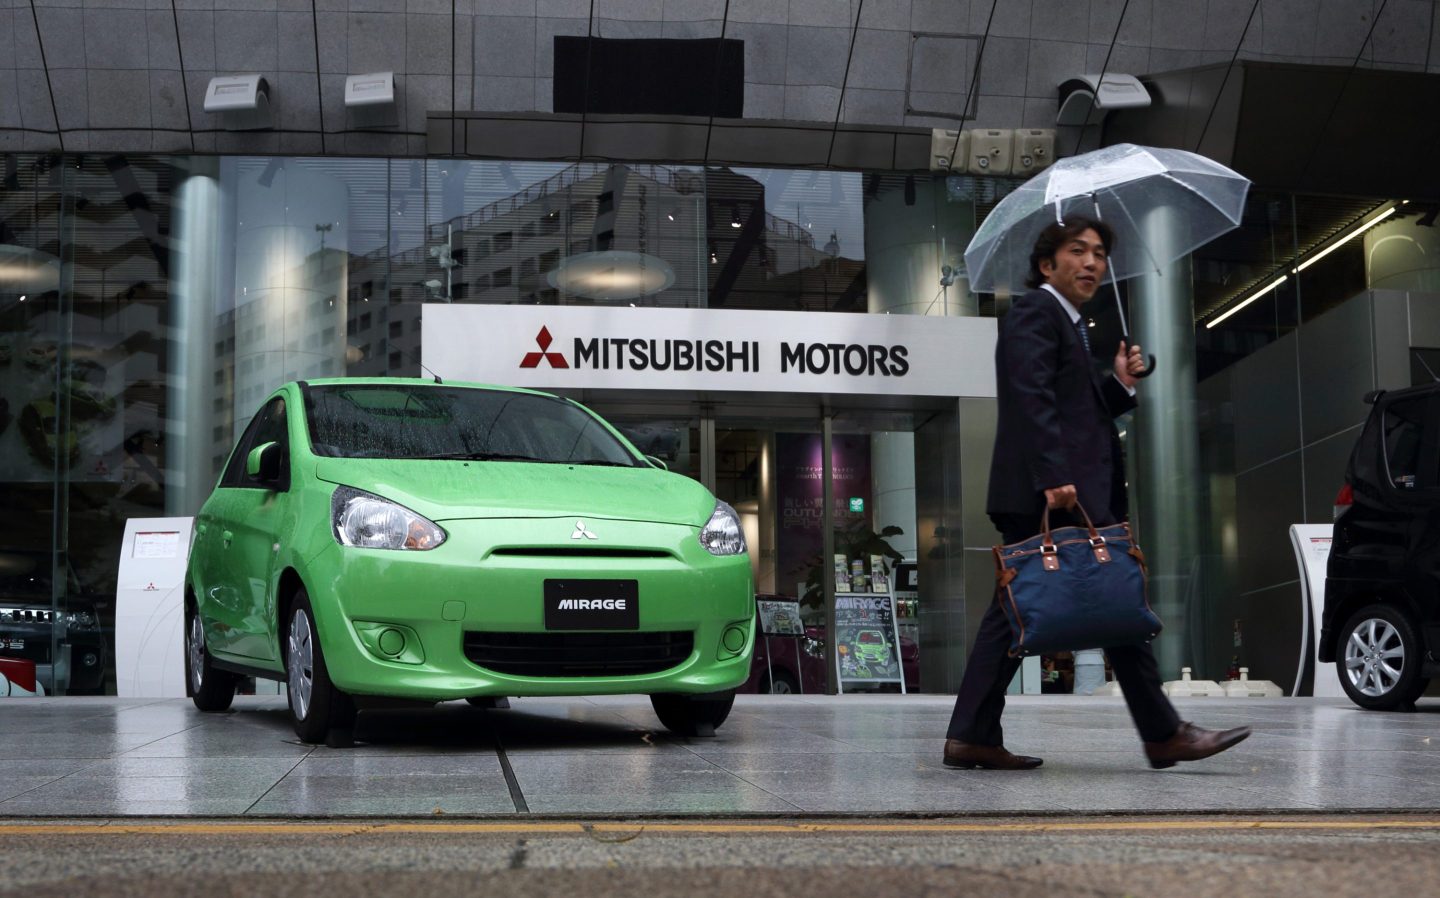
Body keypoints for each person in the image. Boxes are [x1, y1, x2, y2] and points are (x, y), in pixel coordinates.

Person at [943, 217, 1251, 771]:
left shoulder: (1070, 324)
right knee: (1113, 603)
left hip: (1057, 489)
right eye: (1078, 251)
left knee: (1024, 614)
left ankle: (972, 735)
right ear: (1047, 264)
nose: (1092, 263)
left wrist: (1120, 384)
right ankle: (1163, 734)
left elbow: (1076, 414)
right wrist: (1053, 475)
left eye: (1100, 254)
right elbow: (1030, 397)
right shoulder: (1037, 313)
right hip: (1052, 494)